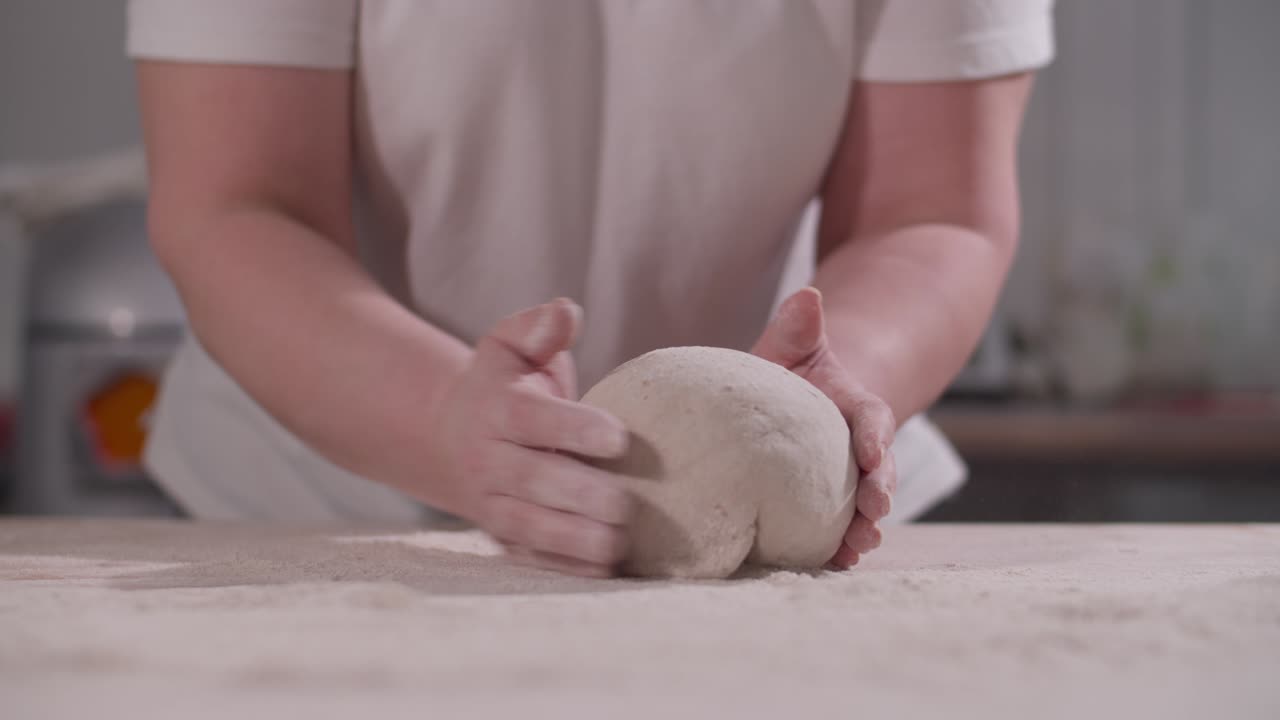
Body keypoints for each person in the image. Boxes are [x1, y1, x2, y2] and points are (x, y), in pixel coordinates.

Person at [128, 0, 1054, 576]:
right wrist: (442, 421)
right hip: (315, 518)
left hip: (764, 556)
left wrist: (828, 394)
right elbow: (237, 207)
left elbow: (934, 212)